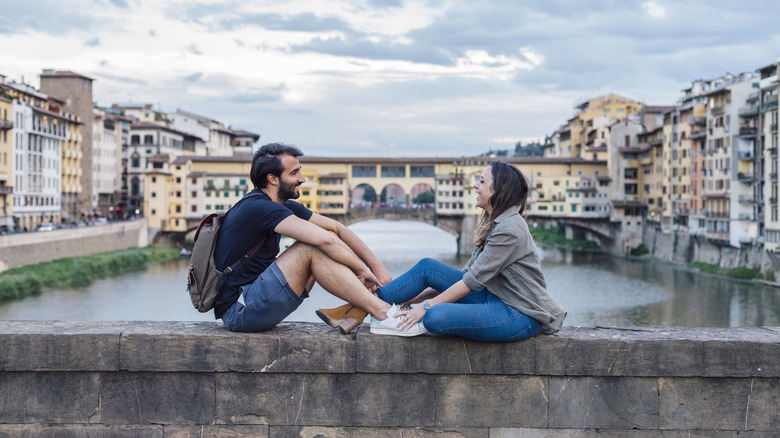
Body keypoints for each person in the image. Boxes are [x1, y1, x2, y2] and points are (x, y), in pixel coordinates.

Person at [213, 142, 425, 336]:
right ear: (272, 178)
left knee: (324, 237)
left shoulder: (282, 205)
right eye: (294, 173)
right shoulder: (258, 207)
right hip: (240, 309)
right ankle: (383, 314)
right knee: (311, 246)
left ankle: (366, 308)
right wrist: (362, 271)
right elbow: (325, 241)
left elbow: (337, 228)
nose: (302, 179)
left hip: (257, 300)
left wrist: (376, 267)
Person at [340, 161, 566, 341]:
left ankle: (360, 307)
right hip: (496, 297)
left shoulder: (509, 229)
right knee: (428, 268)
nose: (475, 186)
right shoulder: (496, 222)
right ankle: (365, 305)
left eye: (481, 181)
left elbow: (470, 282)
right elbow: (463, 277)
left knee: (434, 316)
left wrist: (423, 308)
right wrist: (405, 302)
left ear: (499, 189)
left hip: (518, 313)